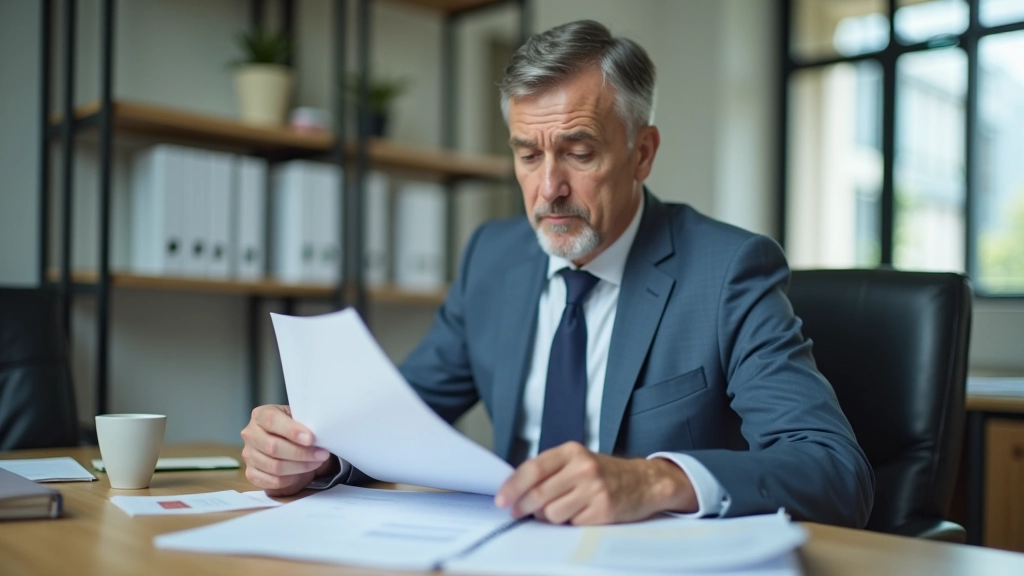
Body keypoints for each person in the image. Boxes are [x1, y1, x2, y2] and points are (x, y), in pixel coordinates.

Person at [241, 20, 874, 527]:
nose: (549, 188)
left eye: (579, 151)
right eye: (527, 154)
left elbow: (834, 471)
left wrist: (655, 479)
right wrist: (315, 455)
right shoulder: (493, 257)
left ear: (642, 152)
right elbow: (396, 422)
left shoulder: (729, 271)